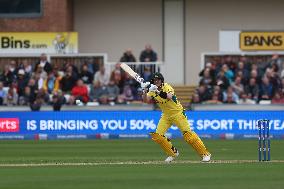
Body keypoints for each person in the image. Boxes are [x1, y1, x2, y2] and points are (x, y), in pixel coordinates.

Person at [141, 72, 211, 163]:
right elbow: (145, 100)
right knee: (157, 136)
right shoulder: (151, 90)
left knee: (188, 136)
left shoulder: (167, 87)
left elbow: (169, 97)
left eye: (158, 80)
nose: (156, 81)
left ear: (162, 81)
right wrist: (144, 91)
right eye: (154, 80)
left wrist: (157, 91)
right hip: (166, 115)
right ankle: (173, 153)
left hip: (178, 113)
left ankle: (205, 154)